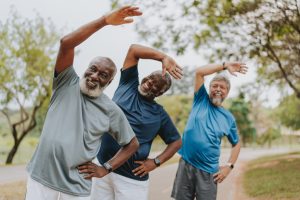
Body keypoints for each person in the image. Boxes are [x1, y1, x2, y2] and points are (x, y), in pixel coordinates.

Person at [25, 6, 142, 200]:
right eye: (92, 69)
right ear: (86, 68)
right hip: (41, 179)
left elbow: (132, 144)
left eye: (103, 75)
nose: (94, 76)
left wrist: (106, 168)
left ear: (109, 82)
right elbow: (65, 44)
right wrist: (104, 21)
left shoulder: (111, 109)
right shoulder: (66, 82)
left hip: (77, 187)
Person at [80, 44, 183, 200]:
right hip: (102, 168)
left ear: (160, 93)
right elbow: (134, 50)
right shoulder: (128, 84)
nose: (149, 83)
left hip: (130, 180)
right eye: (150, 78)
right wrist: (163, 57)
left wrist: (155, 162)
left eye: (156, 85)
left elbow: (176, 142)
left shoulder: (159, 114)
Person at [171, 62, 248, 200]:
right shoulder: (201, 100)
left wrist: (229, 167)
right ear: (209, 88)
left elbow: (236, 143)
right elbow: (199, 72)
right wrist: (225, 65)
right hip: (186, 164)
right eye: (215, 86)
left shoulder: (228, 118)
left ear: (227, 92)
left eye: (222, 87)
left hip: (208, 171)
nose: (218, 89)